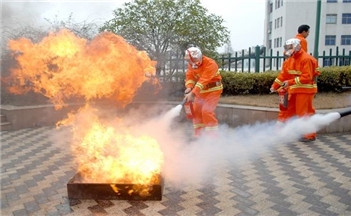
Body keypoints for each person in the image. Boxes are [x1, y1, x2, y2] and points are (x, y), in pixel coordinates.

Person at [270, 38, 320, 142]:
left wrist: (290, 82)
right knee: (287, 111)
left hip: (305, 91)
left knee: (304, 113)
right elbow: (283, 75)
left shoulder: (306, 59)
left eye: (290, 48)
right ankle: (285, 132)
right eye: (287, 48)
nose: (288, 50)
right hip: (293, 90)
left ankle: (309, 135)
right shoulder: (289, 60)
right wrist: (274, 86)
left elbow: (307, 77)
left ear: (297, 47)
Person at [183, 46, 223, 138]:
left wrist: (192, 93)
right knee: (196, 112)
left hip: (213, 90)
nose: (189, 62)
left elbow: (203, 80)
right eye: (188, 60)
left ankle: (213, 137)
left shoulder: (210, 64)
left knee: (206, 111)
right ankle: (198, 135)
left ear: (198, 57)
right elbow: (190, 76)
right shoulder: (191, 64)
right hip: (201, 91)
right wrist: (189, 87)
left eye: (191, 59)